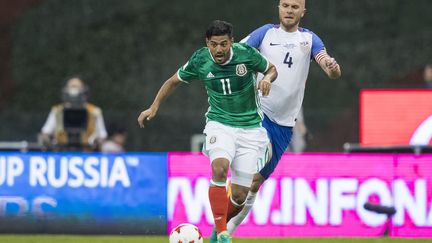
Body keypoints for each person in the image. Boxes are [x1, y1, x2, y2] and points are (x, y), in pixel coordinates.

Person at [137, 20, 277, 243]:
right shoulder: (200, 59)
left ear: (231, 41)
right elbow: (173, 81)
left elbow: (271, 69)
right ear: (207, 43)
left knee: (240, 195)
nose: (219, 49)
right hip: (219, 124)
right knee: (219, 168)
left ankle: (215, 232)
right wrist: (154, 106)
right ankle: (223, 232)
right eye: (214, 44)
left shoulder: (247, 55)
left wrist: (267, 79)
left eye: (223, 44)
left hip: (250, 128)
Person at [227, 0, 341, 235]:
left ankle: (228, 229)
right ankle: (221, 232)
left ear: (303, 12)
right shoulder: (264, 33)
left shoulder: (310, 40)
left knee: (256, 182)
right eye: (285, 5)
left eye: (294, 7)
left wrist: (332, 67)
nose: (289, 10)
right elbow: (235, 52)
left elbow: (329, 69)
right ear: (278, 8)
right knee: (244, 178)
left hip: (284, 125)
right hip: (257, 114)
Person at [41, 77, 108, 151]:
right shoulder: (57, 111)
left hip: (87, 152)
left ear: (83, 89)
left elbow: (102, 135)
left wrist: (95, 145)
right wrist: (52, 148)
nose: (74, 89)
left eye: (77, 86)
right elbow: (45, 132)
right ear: (66, 89)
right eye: (72, 86)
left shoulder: (94, 112)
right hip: (62, 151)